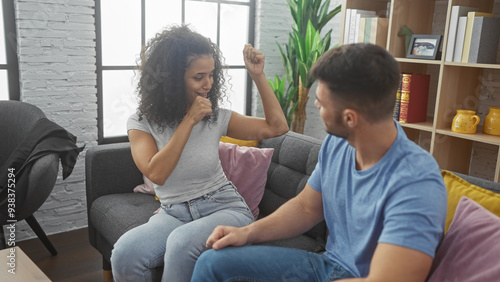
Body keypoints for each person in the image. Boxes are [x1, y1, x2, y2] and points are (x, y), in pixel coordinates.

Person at [191, 43, 448, 281]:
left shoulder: (416, 183)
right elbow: (306, 207)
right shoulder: (338, 143)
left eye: (322, 103)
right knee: (213, 263)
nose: (314, 105)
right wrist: (246, 233)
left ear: (350, 118)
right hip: (327, 266)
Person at [110, 24, 289, 282]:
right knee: (125, 254)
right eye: (198, 77)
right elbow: (156, 172)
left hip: (225, 208)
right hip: (174, 212)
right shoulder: (141, 122)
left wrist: (258, 76)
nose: (208, 84)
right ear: (172, 79)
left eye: (212, 75)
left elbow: (277, 127)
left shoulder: (214, 117)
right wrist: (189, 121)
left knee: (181, 244)